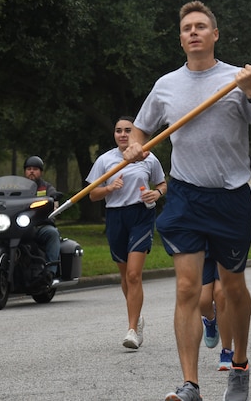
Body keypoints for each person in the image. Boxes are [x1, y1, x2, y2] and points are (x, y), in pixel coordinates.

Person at [122, 1, 251, 401]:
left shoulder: (239, 79)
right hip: (184, 196)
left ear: (215, 35)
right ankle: (190, 383)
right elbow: (140, 132)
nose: (193, 32)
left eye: (201, 26)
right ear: (181, 39)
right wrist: (135, 148)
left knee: (232, 288)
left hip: (231, 197)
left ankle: (240, 366)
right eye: (186, 28)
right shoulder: (166, 86)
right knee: (187, 289)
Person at [87, 116, 167, 349]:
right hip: (115, 217)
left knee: (133, 274)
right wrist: (110, 188)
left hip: (141, 216)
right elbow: (92, 194)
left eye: (127, 130)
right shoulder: (105, 160)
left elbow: (162, 184)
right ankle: (137, 316)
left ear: (135, 133)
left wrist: (157, 194)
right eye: (118, 130)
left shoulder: (148, 156)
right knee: (125, 276)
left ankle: (133, 329)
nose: (122, 134)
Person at [200, 192, 251, 371]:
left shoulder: (237, 167)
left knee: (221, 294)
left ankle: (227, 351)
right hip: (203, 234)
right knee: (203, 301)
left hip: (227, 231)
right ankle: (211, 321)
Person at [23, 155, 63, 282]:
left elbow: (53, 198)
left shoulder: (46, 187)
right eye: (29, 169)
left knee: (52, 233)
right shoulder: (17, 188)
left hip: (40, 226)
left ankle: (50, 272)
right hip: (19, 228)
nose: (31, 171)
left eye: (35, 169)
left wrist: (53, 199)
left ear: (40, 172)